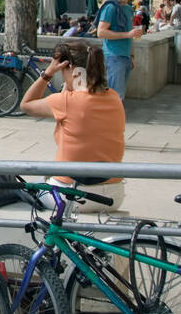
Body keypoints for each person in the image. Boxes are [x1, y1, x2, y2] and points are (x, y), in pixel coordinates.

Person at [19, 40, 126, 210]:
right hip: (113, 194)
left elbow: (26, 104)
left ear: (70, 68)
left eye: (62, 70)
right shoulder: (114, 97)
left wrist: (47, 73)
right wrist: (72, 85)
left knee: (26, 189)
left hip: (72, 195)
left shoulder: (66, 101)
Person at [96, 0, 141, 100]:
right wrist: (127, 34)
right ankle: (111, 118)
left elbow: (130, 36)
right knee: (115, 96)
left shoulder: (128, 9)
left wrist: (131, 57)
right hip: (113, 56)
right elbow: (101, 32)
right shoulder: (111, 8)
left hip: (125, 57)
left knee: (118, 95)